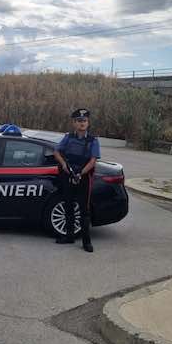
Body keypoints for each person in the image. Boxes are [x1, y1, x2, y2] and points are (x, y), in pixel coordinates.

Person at [53, 108, 100, 252]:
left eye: (84, 121)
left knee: (84, 211)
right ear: (74, 123)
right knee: (68, 207)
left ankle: (86, 242)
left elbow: (93, 161)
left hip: (83, 179)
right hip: (68, 176)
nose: (82, 123)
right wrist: (64, 164)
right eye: (79, 121)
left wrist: (80, 173)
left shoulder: (93, 140)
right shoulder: (68, 137)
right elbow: (56, 152)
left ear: (88, 122)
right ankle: (69, 236)